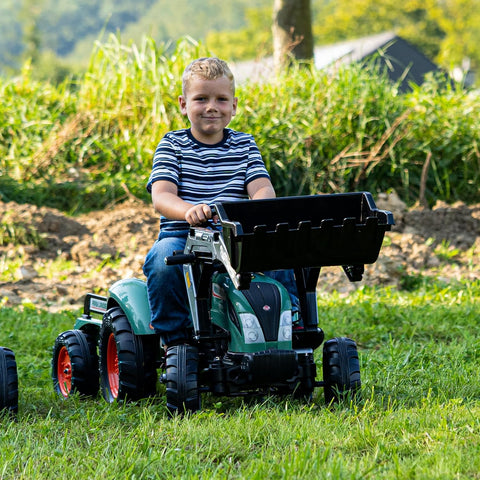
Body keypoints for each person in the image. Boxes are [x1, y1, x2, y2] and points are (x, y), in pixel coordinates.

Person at [143, 57, 298, 348]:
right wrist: (189, 211)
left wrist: (259, 209)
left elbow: (262, 188)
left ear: (234, 106)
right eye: (201, 98)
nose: (212, 106)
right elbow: (161, 196)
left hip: (236, 235)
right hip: (184, 235)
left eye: (221, 99)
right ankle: (175, 340)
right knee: (162, 260)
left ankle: (291, 323)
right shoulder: (172, 145)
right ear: (183, 104)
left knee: (281, 248)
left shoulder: (244, 144)